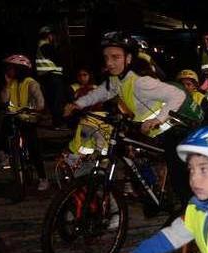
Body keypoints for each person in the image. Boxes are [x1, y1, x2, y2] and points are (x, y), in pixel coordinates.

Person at [63, 31, 189, 206]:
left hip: (168, 129)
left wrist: (157, 120)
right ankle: (153, 194)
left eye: (115, 57)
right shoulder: (117, 79)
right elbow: (100, 92)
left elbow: (178, 94)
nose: (109, 62)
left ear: (128, 58)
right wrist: (78, 104)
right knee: (132, 158)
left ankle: (187, 210)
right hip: (146, 131)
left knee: (179, 180)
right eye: (106, 57)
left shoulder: (141, 82)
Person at [0, 54, 49, 190]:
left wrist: (35, 110)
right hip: (15, 117)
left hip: (29, 119)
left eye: (11, 68)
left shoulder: (31, 83)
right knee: (3, 126)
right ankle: (5, 153)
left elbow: (40, 103)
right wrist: (6, 85)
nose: (8, 71)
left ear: (20, 69)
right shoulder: (11, 83)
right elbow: (5, 101)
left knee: (33, 148)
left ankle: (43, 178)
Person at [35, 26, 67, 129]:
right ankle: (58, 123)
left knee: (52, 100)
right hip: (53, 76)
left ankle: (55, 122)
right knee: (57, 100)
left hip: (46, 77)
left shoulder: (39, 46)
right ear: (49, 36)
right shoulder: (46, 46)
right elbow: (58, 58)